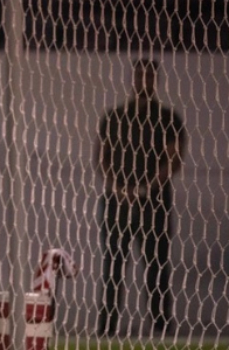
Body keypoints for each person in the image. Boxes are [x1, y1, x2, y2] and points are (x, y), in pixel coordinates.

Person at [94, 58, 187, 336]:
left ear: (155, 80)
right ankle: (106, 329)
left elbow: (174, 158)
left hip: (154, 203)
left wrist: (147, 187)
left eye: (148, 76)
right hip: (116, 202)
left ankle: (161, 328)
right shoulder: (114, 116)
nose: (143, 81)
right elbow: (101, 158)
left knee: (156, 265)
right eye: (139, 75)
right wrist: (120, 188)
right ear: (133, 78)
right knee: (113, 265)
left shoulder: (168, 117)